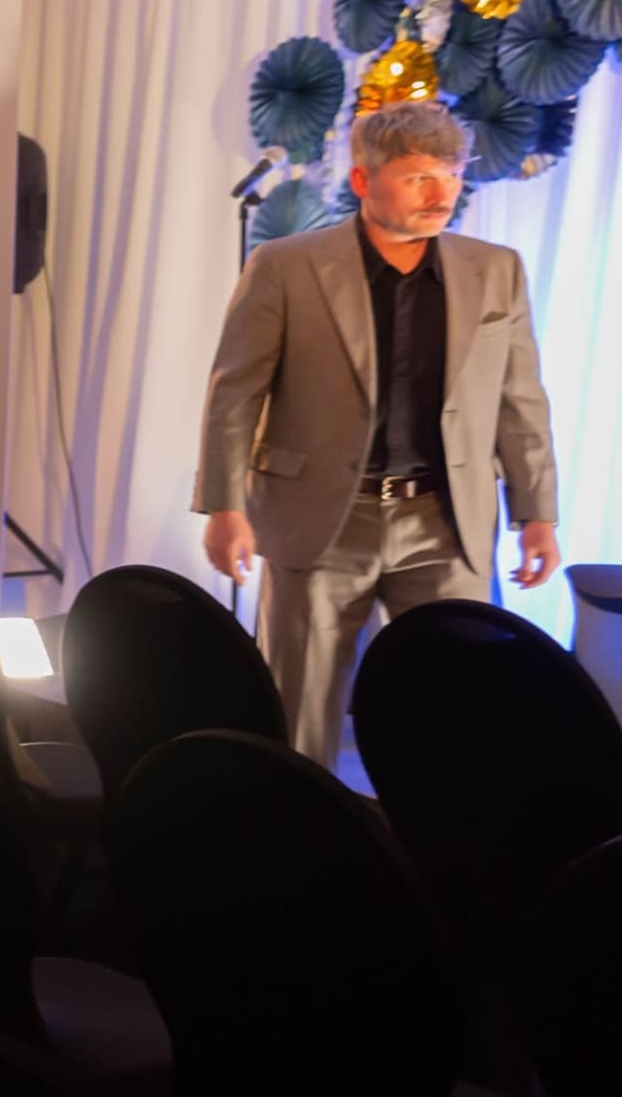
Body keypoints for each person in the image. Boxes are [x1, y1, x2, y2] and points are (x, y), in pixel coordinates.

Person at [200, 97, 561, 768]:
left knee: (457, 708)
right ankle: (294, 823)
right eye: (419, 177)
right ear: (364, 180)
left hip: (446, 522)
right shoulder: (286, 264)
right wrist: (225, 506)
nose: (441, 194)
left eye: (451, 175)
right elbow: (235, 393)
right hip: (320, 518)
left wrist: (537, 514)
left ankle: (433, 832)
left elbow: (520, 400)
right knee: (298, 705)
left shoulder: (496, 269)